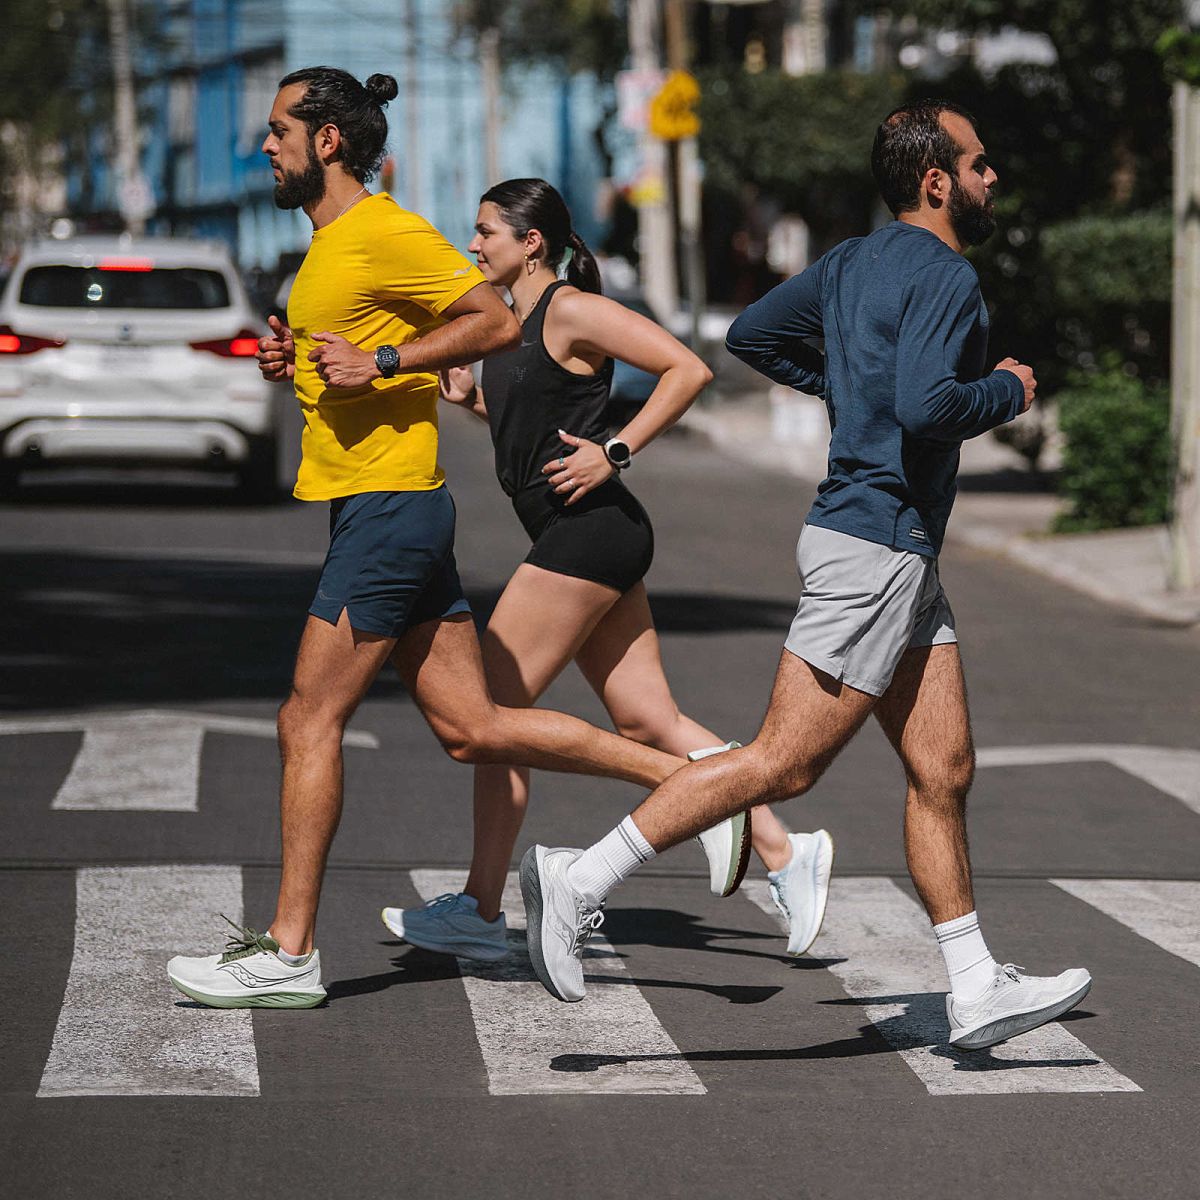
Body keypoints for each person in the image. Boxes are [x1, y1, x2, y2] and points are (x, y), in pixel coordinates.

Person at [518, 101, 1093, 1052]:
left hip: (896, 551)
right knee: (784, 761)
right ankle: (580, 880)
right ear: (938, 181)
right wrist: (1010, 390)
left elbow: (752, 337)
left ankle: (975, 981)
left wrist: (850, 393)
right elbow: (930, 402)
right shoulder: (948, 275)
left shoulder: (852, 261)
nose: (995, 181)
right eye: (983, 165)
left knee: (942, 768)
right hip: (876, 541)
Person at [165, 68, 708, 1010]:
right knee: (476, 729)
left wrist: (379, 360)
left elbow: (491, 319)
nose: (266, 146)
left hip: (388, 511)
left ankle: (288, 952)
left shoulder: (382, 229)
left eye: (277, 130)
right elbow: (389, 350)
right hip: (380, 506)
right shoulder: (329, 247)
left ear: (327, 140)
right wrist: (299, 358)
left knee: (307, 717)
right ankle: (700, 783)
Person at [380, 179, 833, 963]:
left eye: (486, 231)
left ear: (532, 243)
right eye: (473, 230)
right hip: (586, 537)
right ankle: (785, 849)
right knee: (645, 718)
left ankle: (481, 910)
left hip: (588, 534)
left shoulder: (569, 308)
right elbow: (536, 425)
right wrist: (471, 404)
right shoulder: (505, 324)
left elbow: (685, 368)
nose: (473, 244)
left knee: (488, 712)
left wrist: (615, 451)